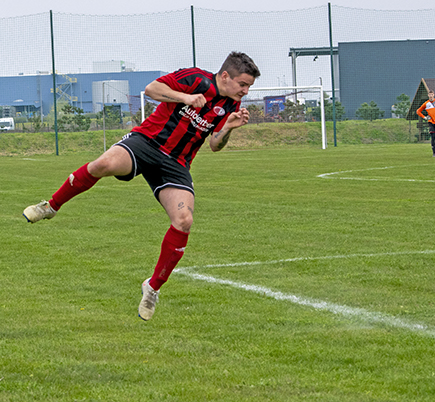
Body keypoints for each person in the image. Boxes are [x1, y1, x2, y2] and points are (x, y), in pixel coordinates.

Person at [23, 51, 260, 321]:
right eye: (243, 84)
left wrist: (229, 127)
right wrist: (186, 98)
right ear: (226, 76)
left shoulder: (229, 106)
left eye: (249, 86)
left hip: (177, 163)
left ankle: (152, 288)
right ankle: (51, 206)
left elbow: (215, 145)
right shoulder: (196, 79)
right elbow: (151, 89)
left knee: (184, 220)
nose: (246, 91)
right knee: (102, 165)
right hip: (146, 143)